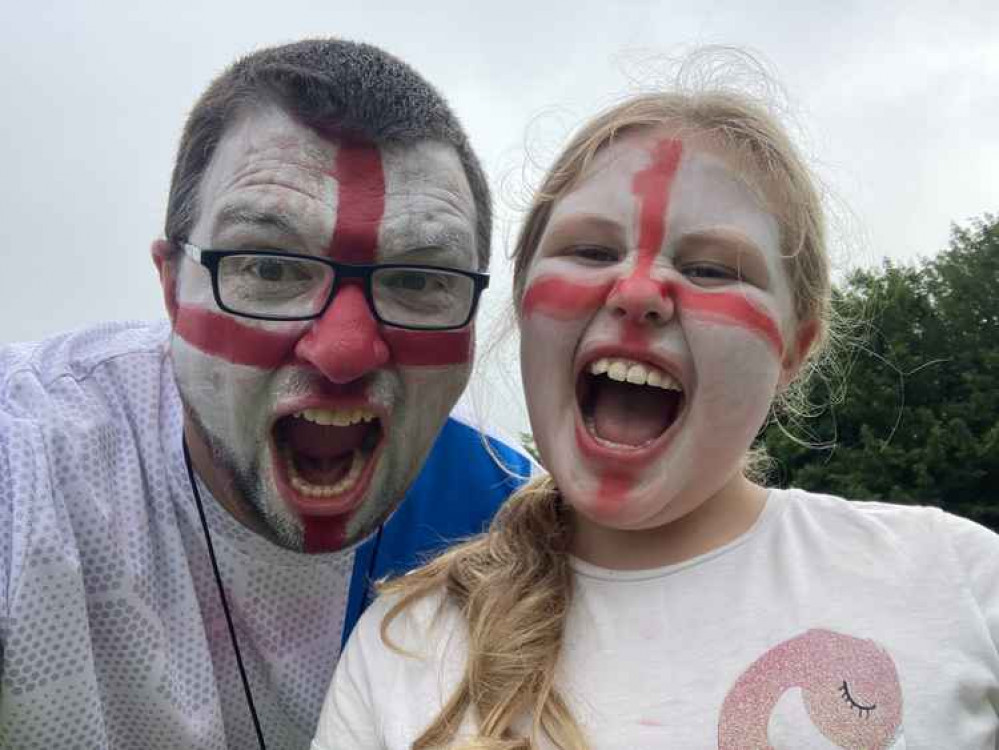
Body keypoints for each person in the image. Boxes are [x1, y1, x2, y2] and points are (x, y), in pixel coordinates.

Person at [314, 85, 999, 748]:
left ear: (793, 348)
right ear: (522, 303)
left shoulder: (956, 579)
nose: (639, 291)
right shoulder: (405, 645)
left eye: (710, 269)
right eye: (590, 252)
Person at [0, 39, 529, 749]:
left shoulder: (505, 525)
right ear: (171, 287)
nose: (344, 352)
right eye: (269, 266)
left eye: (419, 279)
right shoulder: (33, 462)